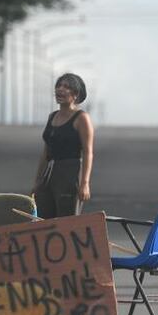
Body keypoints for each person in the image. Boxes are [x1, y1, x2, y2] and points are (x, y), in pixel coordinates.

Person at [31, 73, 95, 218]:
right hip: (49, 173)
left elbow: (88, 152)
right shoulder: (52, 116)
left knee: (66, 220)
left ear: (76, 94)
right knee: (44, 218)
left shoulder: (81, 118)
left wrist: (85, 183)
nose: (60, 89)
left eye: (66, 87)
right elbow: (46, 152)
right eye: (59, 86)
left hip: (70, 173)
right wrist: (37, 181)